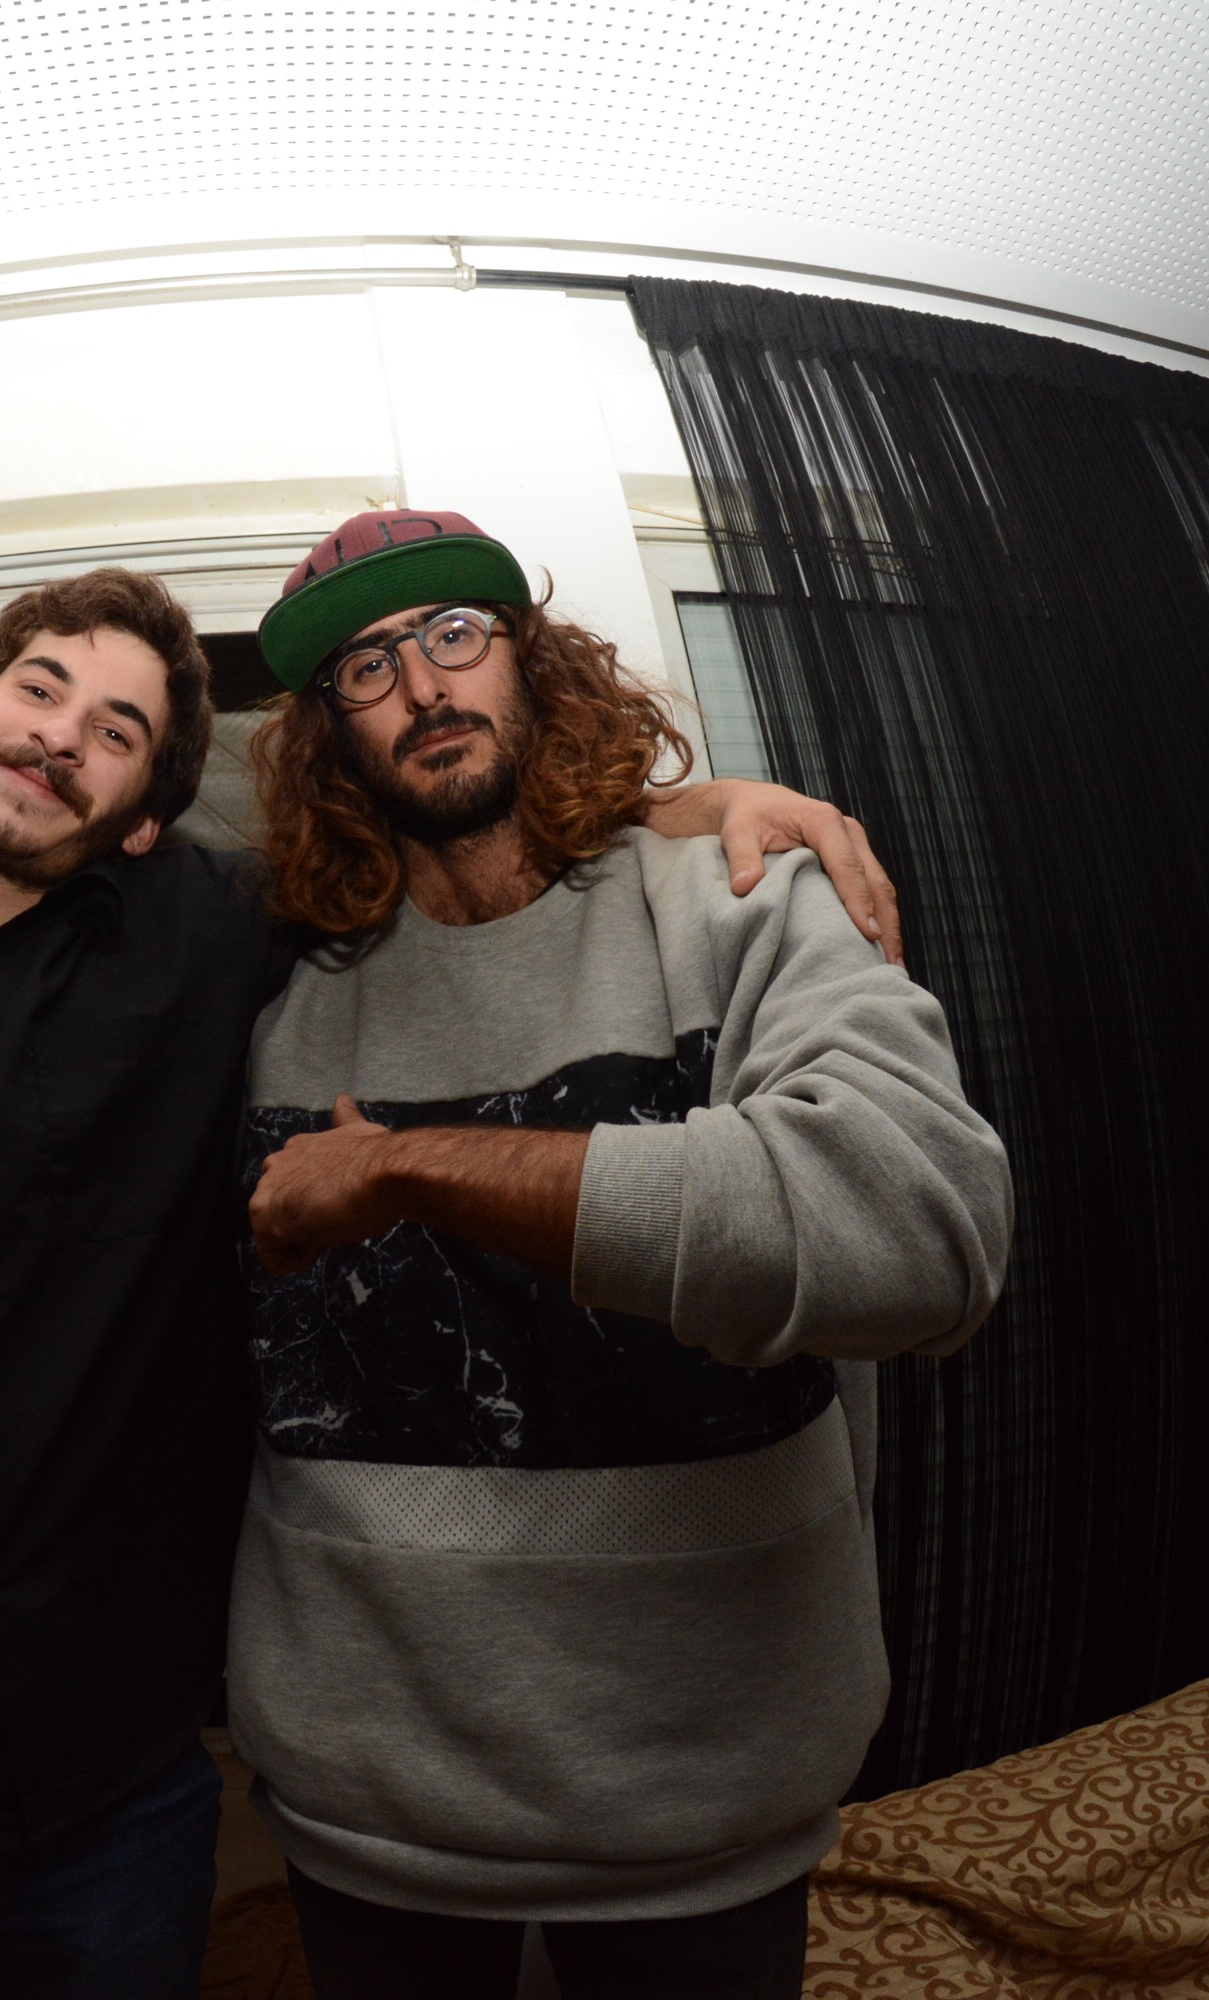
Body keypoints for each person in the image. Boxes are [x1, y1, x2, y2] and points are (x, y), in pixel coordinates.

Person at [0, 562, 900, 1998]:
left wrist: (699, 807)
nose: (62, 734)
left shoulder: (215, 944)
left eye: (119, 731)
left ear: (143, 817)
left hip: (89, 1813)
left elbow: (460, 813)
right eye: (38, 688)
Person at [232, 510, 1014, 2000]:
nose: (422, 684)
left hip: (703, 1795)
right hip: (363, 1798)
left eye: (453, 632)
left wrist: (408, 1165)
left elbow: (926, 1228)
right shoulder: (273, 988)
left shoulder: (733, 895)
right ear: (332, 732)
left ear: (530, 658)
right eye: (366, 667)